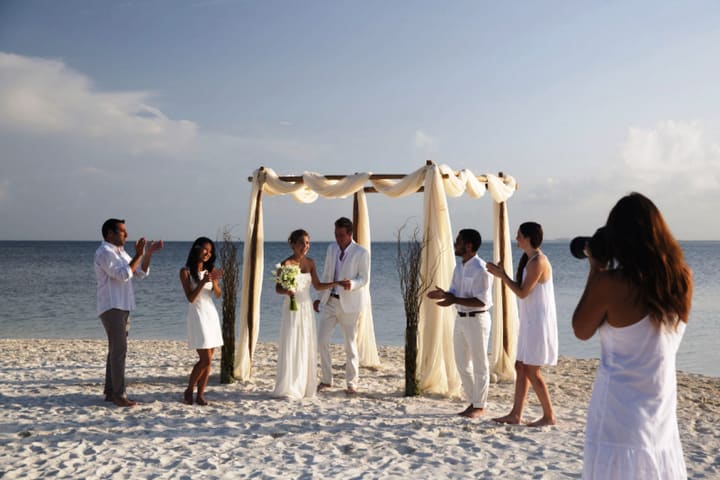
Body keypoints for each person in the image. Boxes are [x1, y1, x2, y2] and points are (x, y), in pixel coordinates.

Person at [572, 192, 692, 479]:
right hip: (660, 413)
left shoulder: (609, 283)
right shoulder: (682, 280)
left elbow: (581, 329)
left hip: (617, 415)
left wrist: (595, 269)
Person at [486, 222, 558, 427]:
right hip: (530, 320)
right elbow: (523, 290)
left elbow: (522, 293)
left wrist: (501, 276)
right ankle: (516, 414)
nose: (516, 239)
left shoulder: (538, 261)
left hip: (538, 322)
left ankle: (549, 415)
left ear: (527, 238)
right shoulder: (530, 260)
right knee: (521, 366)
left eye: (518, 236)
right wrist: (502, 274)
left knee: (533, 370)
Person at [95, 218, 163, 407]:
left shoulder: (120, 252)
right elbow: (123, 275)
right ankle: (118, 394)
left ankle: (110, 391)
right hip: (111, 306)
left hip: (123, 306)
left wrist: (146, 253)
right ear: (110, 233)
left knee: (115, 350)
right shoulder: (104, 252)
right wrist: (138, 254)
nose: (126, 234)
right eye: (122, 231)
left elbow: (140, 272)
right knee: (119, 351)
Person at [427, 229, 493, 418]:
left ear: (469, 245)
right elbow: (454, 293)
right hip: (461, 319)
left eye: (459, 241)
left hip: (478, 319)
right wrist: (444, 295)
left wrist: (454, 300)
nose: (456, 244)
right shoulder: (459, 267)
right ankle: (473, 401)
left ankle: (480, 405)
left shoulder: (481, 269)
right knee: (462, 363)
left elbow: (482, 301)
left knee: (480, 364)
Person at [273, 229, 338, 399]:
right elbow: (278, 288)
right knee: (292, 342)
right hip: (292, 309)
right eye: (302, 243)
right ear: (293, 244)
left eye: (308, 243)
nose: (305, 246)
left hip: (306, 308)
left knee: (305, 344)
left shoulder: (310, 263)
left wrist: (334, 284)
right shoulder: (286, 264)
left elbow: (317, 285)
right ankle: (290, 386)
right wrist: (287, 292)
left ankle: (305, 385)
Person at [314, 217, 371, 395]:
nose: (338, 239)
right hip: (330, 301)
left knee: (350, 345)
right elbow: (326, 273)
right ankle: (326, 379)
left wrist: (352, 283)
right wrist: (319, 297)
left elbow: (364, 278)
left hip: (350, 304)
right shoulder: (331, 249)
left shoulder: (361, 253)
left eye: (341, 235)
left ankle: (352, 383)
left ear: (350, 234)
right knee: (322, 340)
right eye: (336, 235)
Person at [180, 237, 224, 406]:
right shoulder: (185, 272)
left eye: (210, 251)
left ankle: (200, 395)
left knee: (210, 359)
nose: (208, 253)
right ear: (197, 249)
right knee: (205, 359)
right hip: (197, 314)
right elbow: (190, 298)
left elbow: (218, 295)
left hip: (211, 313)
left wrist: (214, 281)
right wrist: (202, 282)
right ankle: (189, 390)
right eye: (205, 249)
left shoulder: (210, 270)